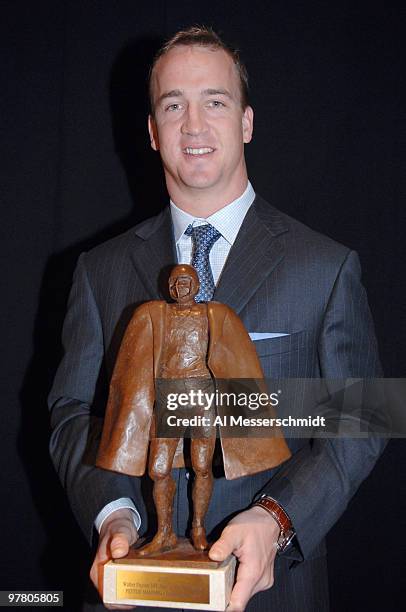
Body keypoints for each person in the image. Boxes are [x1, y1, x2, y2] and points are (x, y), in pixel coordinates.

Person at [49, 26, 384, 611]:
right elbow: (73, 413)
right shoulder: (97, 271)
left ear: (247, 122)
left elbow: (364, 415)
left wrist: (277, 518)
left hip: (270, 593)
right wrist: (114, 515)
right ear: (153, 132)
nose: (194, 125)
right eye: (173, 104)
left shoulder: (326, 266)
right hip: (131, 590)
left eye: (215, 102)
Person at [95, 263, 291, 557]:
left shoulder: (213, 315)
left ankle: (197, 528)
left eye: (186, 282)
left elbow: (235, 359)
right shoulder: (155, 314)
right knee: (158, 469)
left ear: (196, 285)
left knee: (202, 466)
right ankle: (164, 533)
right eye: (176, 282)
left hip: (201, 399)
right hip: (169, 398)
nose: (180, 288)